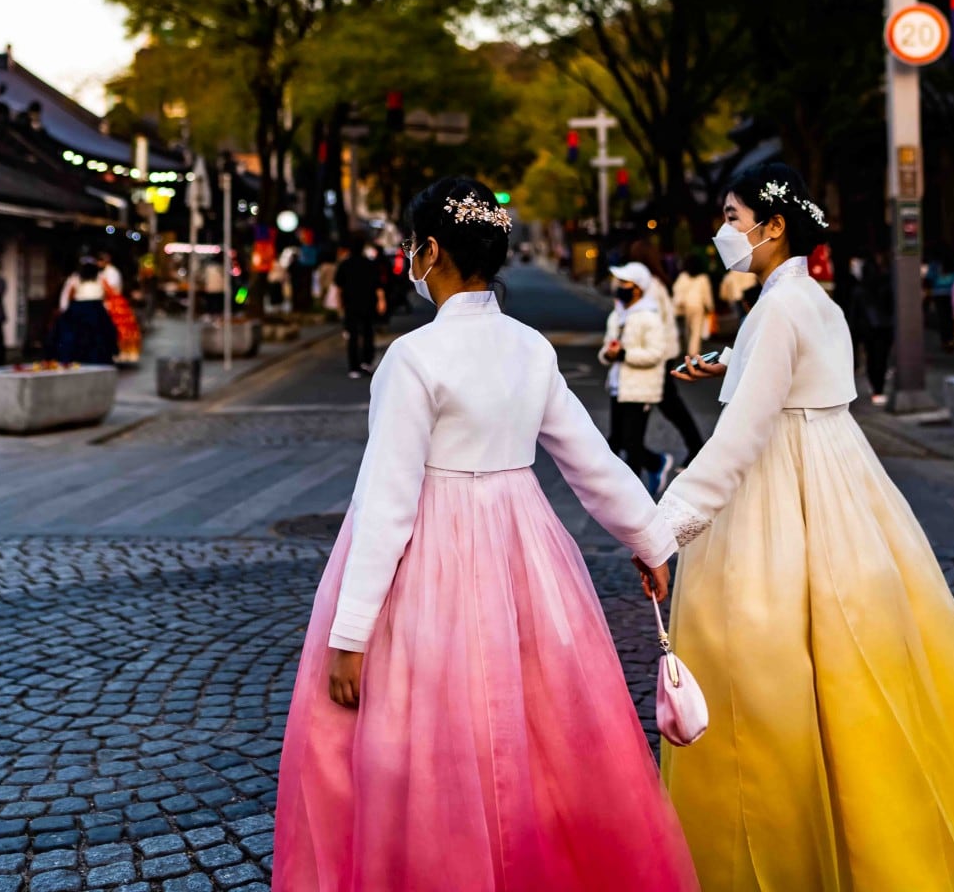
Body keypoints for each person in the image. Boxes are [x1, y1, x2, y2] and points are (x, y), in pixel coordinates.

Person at [272, 177, 697, 892]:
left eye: (413, 244)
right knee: (534, 727)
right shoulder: (530, 348)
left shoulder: (413, 358)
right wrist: (650, 540)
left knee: (431, 733)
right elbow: (590, 460)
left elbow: (387, 503)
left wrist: (350, 634)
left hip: (431, 556)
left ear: (431, 251)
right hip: (523, 545)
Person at [656, 162, 954, 892]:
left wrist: (666, 524)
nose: (724, 232)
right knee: (849, 657)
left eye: (732, 218)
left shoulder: (777, 309)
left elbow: (742, 435)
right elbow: (804, 368)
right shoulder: (811, 299)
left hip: (780, 482)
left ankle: (781, 848)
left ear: (772, 226)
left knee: (764, 662)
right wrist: (732, 362)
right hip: (843, 479)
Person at [626, 238, 704, 466]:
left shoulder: (649, 286)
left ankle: (652, 461)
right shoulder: (658, 283)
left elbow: (648, 324)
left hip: (654, 355)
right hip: (663, 352)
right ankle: (693, 449)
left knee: (641, 412)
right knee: (668, 405)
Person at [599, 261, 674, 496]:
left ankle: (632, 497)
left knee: (631, 443)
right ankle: (655, 463)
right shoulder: (617, 316)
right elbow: (606, 349)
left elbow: (656, 353)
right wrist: (609, 354)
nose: (618, 287)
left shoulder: (649, 317)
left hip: (640, 389)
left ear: (638, 288)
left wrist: (624, 354)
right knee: (617, 441)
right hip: (618, 386)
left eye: (624, 283)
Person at [50, 258, 118, 365]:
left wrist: (66, 310)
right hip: (96, 310)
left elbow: (69, 296)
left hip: (79, 309)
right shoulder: (100, 279)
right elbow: (109, 294)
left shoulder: (75, 279)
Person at [333, 232, 382, 379]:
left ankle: (354, 367)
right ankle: (367, 361)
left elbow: (339, 288)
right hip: (368, 302)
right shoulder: (370, 264)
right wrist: (381, 301)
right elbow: (377, 285)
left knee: (352, 336)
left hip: (350, 304)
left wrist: (339, 305)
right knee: (368, 333)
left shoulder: (344, 265)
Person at [850, 251, 895, 402]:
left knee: (871, 357)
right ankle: (878, 388)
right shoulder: (887, 283)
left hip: (867, 328)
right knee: (881, 358)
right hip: (884, 326)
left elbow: (854, 313)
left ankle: (875, 387)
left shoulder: (859, 289)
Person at [96, 249, 142, 365]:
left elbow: (111, 289)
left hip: (115, 303)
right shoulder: (105, 272)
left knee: (118, 330)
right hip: (110, 302)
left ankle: (119, 354)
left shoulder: (112, 272)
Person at [671, 253, 714, 359]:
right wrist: (710, 307)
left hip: (685, 305)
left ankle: (688, 348)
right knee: (696, 329)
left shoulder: (683, 276)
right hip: (698, 305)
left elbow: (677, 289)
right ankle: (693, 352)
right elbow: (707, 294)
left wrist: (678, 302)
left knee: (687, 328)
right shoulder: (703, 278)